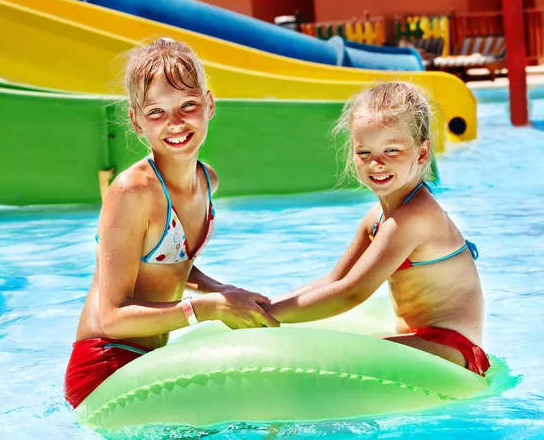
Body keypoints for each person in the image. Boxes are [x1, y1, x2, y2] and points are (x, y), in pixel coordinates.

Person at [64, 39, 278, 409]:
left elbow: (170, 265)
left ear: (209, 105)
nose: (175, 123)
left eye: (188, 106)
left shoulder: (206, 181)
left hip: (149, 361)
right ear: (135, 121)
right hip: (105, 367)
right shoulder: (133, 192)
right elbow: (111, 318)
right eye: (156, 112)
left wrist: (222, 289)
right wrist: (210, 307)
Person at [265, 82, 489, 376]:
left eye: (392, 149)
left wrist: (267, 316)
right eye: (364, 152)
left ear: (422, 154)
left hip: (454, 349)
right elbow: (335, 279)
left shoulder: (415, 218)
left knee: (331, 358)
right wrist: (265, 306)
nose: (376, 163)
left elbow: (351, 293)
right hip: (422, 340)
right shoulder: (377, 218)